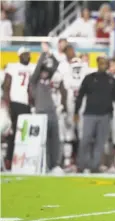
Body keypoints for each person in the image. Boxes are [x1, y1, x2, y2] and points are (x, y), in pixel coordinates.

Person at [75, 55, 115, 173]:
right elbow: (80, 96)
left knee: (100, 142)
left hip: (105, 114)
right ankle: (81, 164)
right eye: (101, 62)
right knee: (85, 139)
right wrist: (76, 111)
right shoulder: (89, 78)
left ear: (107, 65)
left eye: (105, 63)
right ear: (97, 63)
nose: (103, 65)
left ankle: (94, 165)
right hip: (90, 114)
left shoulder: (111, 80)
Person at [30, 44, 65, 172]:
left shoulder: (48, 79)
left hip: (51, 111)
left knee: (54, 138)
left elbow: (56, 64)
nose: (45, 73)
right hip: (40, 113)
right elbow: (38, 68)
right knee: (42, 141)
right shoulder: (34, 81)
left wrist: (50, 53)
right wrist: (43, 54)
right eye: (43, 71)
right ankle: (44, 164)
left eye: (46, 71)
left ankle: (54, 165)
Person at [2, 47, 35, 169]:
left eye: (28, 54)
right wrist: (8, 104)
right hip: (15, 102)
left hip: (26, 104)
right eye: (24, 54)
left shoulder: (32, 67)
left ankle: (22, 160)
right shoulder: (12, 67)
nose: (27, 56)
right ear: (19, 55)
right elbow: (6, 86)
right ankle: (9, 159)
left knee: (24, 134)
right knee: (13, 133)